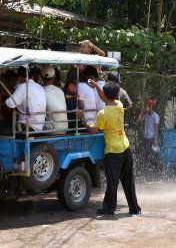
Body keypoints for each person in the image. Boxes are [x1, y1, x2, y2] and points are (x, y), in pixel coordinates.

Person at [80, 80, 141, 215]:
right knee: (128, 181)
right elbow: (105, 99)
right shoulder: (119, 105)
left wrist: (85, 123)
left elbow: (94, 130)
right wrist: (96, 86)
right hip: (125, 148)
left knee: (112, 182)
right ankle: (134, 208)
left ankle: (109, 209)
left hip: (113, 152)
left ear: (106, 95)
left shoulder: (103, 113)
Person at [5, 66, 46, 132]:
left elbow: (10, 104)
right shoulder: (40, 87)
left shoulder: (23, 86)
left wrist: (8, 97)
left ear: (20, 77)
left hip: (27, 127)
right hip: (40, 127)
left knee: (3, 127)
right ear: (32, 76)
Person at [41, 66, 68, 134]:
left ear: (41, 77)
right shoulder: (60, 91)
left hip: (51, 129)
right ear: (54, 77)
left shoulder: (41, 91)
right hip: (65, 128)